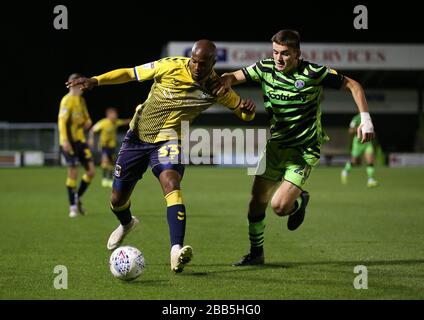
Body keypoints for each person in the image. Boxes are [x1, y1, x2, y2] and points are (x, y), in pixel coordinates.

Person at [66, 40, 256, 273]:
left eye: (203, 63)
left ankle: (176, 250)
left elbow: (244, 113)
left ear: (213, 63)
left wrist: (249, 111)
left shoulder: (218, 88)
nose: (196, 66)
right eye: (194, 61)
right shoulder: (170, 66)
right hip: (137, 137)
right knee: (117, 199)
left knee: (171, 182)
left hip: (169, 138)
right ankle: (126, 223)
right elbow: (130, 73)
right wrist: (95, 80)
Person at [212, 30, 375, 266]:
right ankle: (256, 254)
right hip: (276, 147)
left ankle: (299, 200)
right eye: (276, 52)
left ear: (297, 54)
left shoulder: (313, 72)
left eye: (285, 54)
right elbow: (234, 76)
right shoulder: (264, 68)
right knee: (257, 200)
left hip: (303, 151)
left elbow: (354, 85)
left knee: (279, 207)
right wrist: (226, 80)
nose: (279, 58)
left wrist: (365, 119)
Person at [58, 73, 96, 218]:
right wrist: (65, 140)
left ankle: (77, 196)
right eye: (79, 83)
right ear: (73, 84)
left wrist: (88, 123)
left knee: (91, 172)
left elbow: (87, 118)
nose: (82, 86)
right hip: (69, 141)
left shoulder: (81, 101)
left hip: (80, 141)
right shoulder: (66, 101)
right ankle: (72, 206)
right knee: (73, 170)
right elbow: (62, 122)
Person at [89, 108, 131, 188]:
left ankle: (109, 179)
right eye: (113, 114)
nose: (115, 116)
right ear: (108, 115)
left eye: (115, 115)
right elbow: (92, 130)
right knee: (105, 162)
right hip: (104, 146)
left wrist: (134, 119)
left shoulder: (115, 122)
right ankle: (104, 179)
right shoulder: (103, 123)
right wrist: (91, 139)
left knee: (112, 164)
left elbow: (124, 122)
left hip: (112, 146)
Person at [341, 113, 379, 187]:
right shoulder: (356, 118)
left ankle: (370, 180)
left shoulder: (368, 118)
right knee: (354, 162)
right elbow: (350, 131)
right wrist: (359, 129)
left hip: (367, 142)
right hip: (358, 143)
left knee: (370, 161)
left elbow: (371, 129)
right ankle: (345, 171)